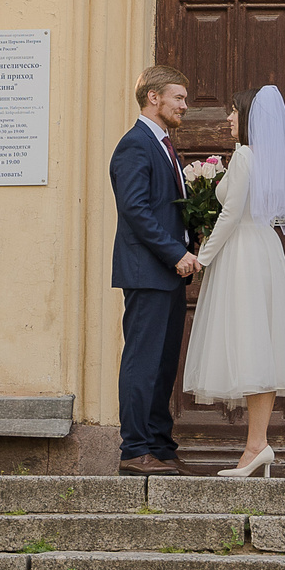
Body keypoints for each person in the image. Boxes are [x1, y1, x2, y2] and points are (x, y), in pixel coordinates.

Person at [180, 84, 285, 478]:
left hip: (242, 256)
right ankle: (258, 445)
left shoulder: (244, 156)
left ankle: (256, 445)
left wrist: (201, 258)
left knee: (251, 344)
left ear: (250, 118)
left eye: (234, 112)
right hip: (266, 252)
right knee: (263, 347)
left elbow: (230, 214)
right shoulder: (271, 160)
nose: (229, 119)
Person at [110, 65, 199, 475]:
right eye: (178, 98)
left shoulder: (164, 145)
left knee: (163, 364)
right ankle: (135, 449)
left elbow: (167, 207)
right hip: (147, 271)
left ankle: (161, 446)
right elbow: (136, 210)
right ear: (154, 98)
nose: (184, 105)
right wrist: (173, 252)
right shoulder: (135, 145)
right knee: (142, 362)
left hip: (168, 273)